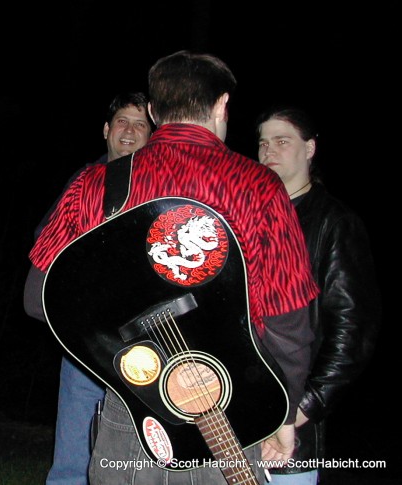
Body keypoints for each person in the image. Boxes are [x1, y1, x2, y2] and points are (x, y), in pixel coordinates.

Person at [24, 50, 319, 485]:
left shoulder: (97, 184)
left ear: (154, 110)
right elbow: (291, 324)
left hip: (132, 413)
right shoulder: (261, 188)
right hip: (231, 424)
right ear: (222, 106)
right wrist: (283, 413)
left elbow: (39, 299)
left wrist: (120, 363)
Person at [26, 92, 154, 485]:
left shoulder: (161, 186)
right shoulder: (83, 184)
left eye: (140, 124)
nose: (129, 131)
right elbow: (45, 247)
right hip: (84, 345)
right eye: (122, 122)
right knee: (71, 462)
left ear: (153, 136)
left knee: (134, 462)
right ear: (106, 130)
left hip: (147, 349)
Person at [256, 107, 381, 485]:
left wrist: (302, 408)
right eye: (262, 144)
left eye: (282, 141)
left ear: (309, 149)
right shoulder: (248, 215)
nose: (268, 152)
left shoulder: (334, 222)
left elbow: (353, 328)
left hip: (294, 430)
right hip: (238, 412)